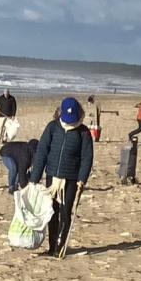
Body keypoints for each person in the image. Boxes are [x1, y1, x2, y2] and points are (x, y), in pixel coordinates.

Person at [30, 97, 93, 257]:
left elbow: (87, 158)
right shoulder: (52, 127)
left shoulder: (84, 132)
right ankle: (52, 247)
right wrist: (34, 178)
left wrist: (82, 179)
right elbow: (42, 153)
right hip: (52, 176)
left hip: (71, 179)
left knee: (65, 213)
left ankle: (60, 247)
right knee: (52, 212)